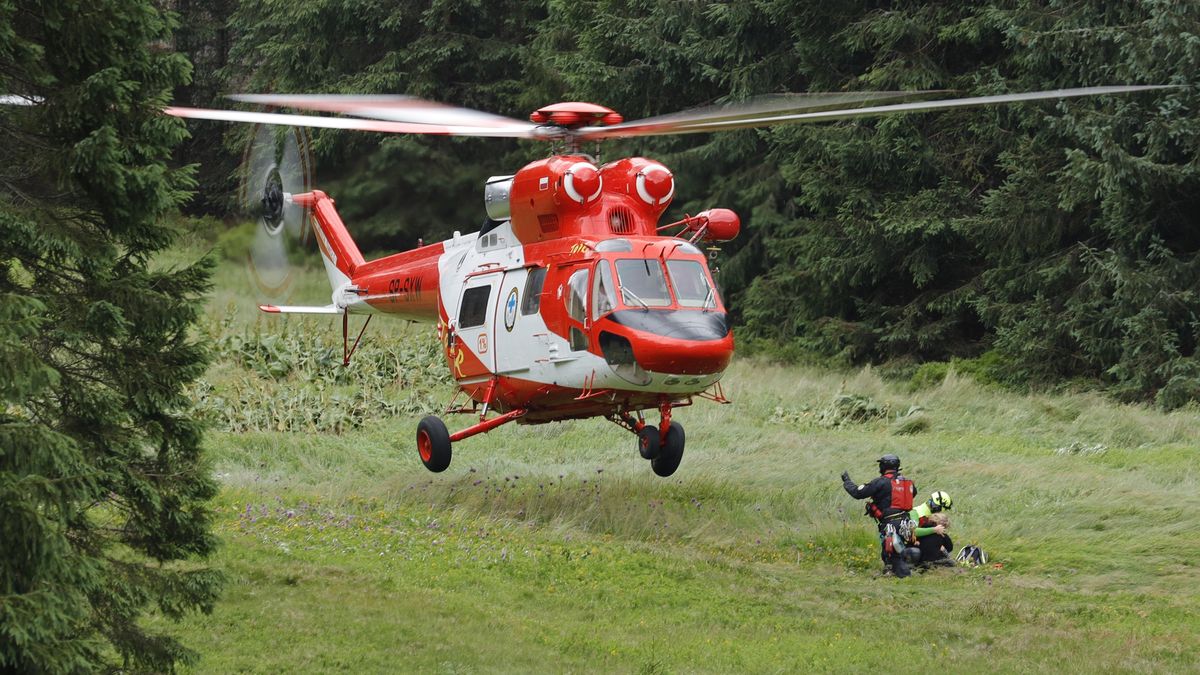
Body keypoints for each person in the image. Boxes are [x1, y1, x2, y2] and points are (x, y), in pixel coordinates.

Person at [841, 454, 919, 578]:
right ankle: (900, 572)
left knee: (891, 553)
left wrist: (847, 481)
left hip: (890, 524)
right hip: (907, 523)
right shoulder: (908, 482)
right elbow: (912, 494)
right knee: (899, 549)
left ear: (883, 466)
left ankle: (898, 575)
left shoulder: (881, 482)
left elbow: (858, 493)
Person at [910, 490, 954, 567]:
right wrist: (934, 530)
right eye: (942, 509)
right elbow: (913, 532)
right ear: (938, 507)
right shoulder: (915, 512)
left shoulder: (932, 516)